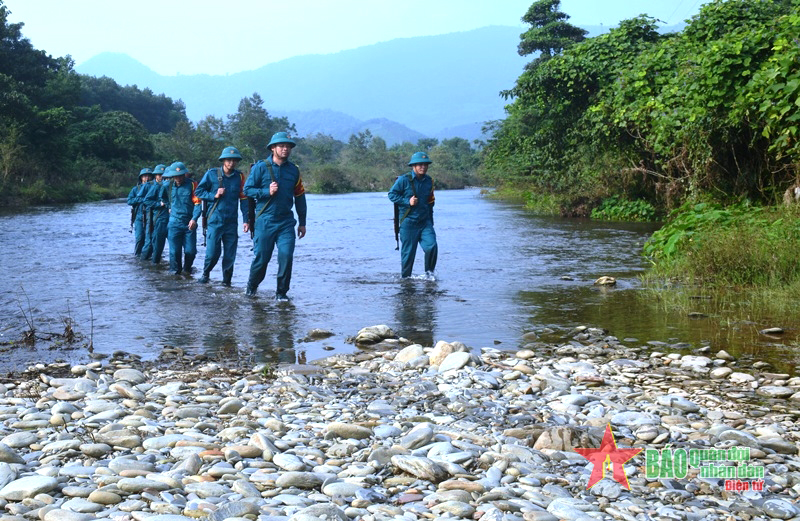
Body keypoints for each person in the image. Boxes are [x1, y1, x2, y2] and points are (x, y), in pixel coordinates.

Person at [243, 132, 307, 300]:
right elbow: (247, 190)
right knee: (262, 259)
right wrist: (266, 192)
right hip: (265, 220)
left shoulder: (294, 170)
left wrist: (302, 222)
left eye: (288, 146)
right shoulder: (260, 168)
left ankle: (281, 293)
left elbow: (300, 197)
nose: (285, 149)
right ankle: (251, 287)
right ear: (273, 148)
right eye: (281, 146)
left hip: (286, 222)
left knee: (286, 256)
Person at [195, 146, 249, 285]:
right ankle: (206, 274)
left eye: (234, 160)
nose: (232, 163)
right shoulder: (211, 174)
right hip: (215, 220)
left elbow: (243, 199)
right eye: (229, 160)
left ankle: (227, 282)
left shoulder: (239, 177)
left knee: (230, 255)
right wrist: (214, 195)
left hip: (231, 222)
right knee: (213, 253)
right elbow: (198, 192)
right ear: (223, 160)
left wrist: (246, 220)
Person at [388, 151, 438, 278]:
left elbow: (430, 202)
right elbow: (392, 195)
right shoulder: (404, 180)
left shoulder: (429, 181)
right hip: (408, 223)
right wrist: (407, 201)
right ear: (413, 166)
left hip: (425, 222)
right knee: (408, 255)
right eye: (420, 164)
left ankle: (429, 276)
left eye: (425, 164)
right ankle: (405, 281)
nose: (423, 167)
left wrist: (431, 222)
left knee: (432, 246)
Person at [163, 162, 201, 276]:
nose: (178, 178)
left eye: (180, 175)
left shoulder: (193, 185)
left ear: (185, 174)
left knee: (191, 251)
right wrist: (168, 206)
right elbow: (163, 197)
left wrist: (194, 219)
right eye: (176, 176)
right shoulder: (167, 186)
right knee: (174, 252)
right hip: (174, 223)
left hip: (189, 223)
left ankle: (187, 270)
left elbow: (198, 204)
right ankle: (175, 275)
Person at [145, 163, 171, 265]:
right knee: (157, 247)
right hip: (160, 218)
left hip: (173, 219)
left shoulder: (175, 187)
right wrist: (159, 204)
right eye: (159, 175)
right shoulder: (157, 187)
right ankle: (153, 268)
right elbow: (147, 201)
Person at [140, 164, 166, 261]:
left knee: (159, 244)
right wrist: (159, 204)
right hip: (151, 216)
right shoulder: (150, 186)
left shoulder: (168, 185)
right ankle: (143, 262)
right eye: (159, 175)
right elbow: (143, 200)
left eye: (162, 175)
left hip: (165, 217)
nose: (161, 177)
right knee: (149, 242)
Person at [128, 168, 152, 256]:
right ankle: (137, 256)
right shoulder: (135, 189)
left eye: (149, 176)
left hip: (151, 216)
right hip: (139, 216)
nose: (147, 178)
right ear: (141, 178)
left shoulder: (154, 187)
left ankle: (148, 256)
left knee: (149, 239)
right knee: (139, 238)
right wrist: (141, 199)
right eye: (145, 176)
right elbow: (129, 201)